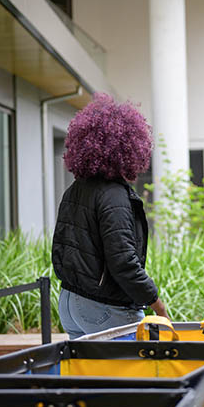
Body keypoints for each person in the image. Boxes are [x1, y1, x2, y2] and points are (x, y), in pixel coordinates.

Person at [52, 93, 168, 338]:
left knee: (89, 376)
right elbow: (124, 261)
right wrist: (156, 304)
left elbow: (62, 249)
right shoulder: (115, 196)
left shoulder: (75, 189)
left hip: (70, 303)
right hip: (104, 308)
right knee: (134, 374)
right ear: (130, 148)